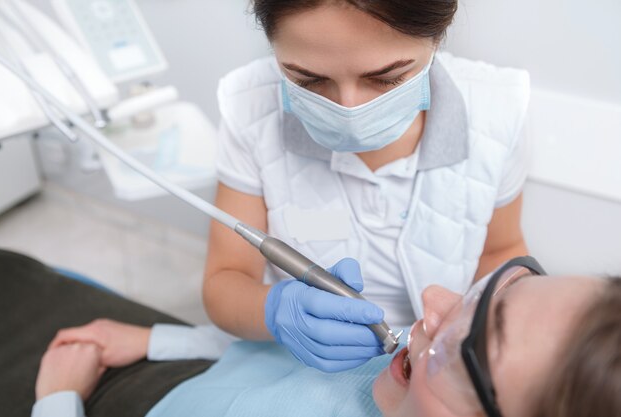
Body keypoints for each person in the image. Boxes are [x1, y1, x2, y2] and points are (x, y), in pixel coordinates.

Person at [203, 0, 533, 372]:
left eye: (387, 78)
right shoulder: (249, 106)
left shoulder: (496, 111)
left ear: (437, 39)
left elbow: (500, 252)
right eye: (308, 80)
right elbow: (224, 282)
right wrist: (275, 310)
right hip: (293, 365)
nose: (349, 109)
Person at [0, 248, 619, 417]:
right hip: (174, 369)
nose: (434, 301)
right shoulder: (404, 372)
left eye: (470, 343)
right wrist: (162, 340)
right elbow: (268, 364)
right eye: (491, 290)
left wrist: (57, 399)